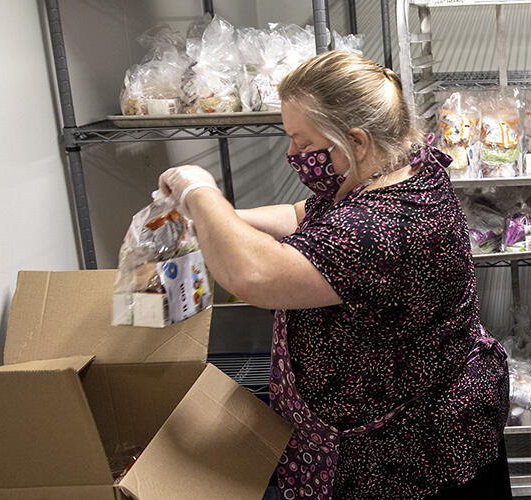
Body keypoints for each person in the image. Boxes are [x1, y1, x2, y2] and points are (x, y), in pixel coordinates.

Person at [156, 51, 511, 499]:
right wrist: (224, 220)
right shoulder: (393, 169)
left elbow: (254, 276)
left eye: (303, 144)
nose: (292, 154)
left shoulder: (381, 226)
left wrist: (200, 192)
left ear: (356, 141)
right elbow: (300, 214)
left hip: (410, 456)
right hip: (402, 424)